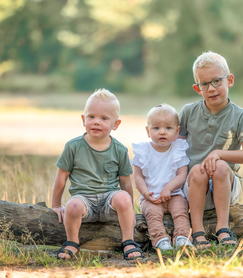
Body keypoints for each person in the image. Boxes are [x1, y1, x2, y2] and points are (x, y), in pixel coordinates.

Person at [51, 88, 144, 260]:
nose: (96, 122)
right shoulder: (73, 147)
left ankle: (128, 241)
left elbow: (125, 183)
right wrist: (56, 205)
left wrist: (130, 211)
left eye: (104, 118)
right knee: (72, 206)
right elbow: (61, 177)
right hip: (84, 201)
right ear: (83, 119)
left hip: (109, 201)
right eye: (91, 117)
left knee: (123, 197)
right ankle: (72, 242)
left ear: (116, 124)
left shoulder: (120, 150)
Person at [179, 51, 243, 248]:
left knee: (221, 167)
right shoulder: (188, 112)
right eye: (204, 84)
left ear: (229, 80)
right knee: (197, 170)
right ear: (197, 88)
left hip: (227, 185)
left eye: (216, 81)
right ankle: (197, 232)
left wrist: (219, 153)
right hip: (195, 185)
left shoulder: (241, 116)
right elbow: (176, 150)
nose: (211, 89)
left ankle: (222, 228)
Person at [132, 104, 193, 252]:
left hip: (174, 195)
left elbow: (182, 175)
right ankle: (160, 239)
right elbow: (138, 177)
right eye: (156, 128)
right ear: (148, 131)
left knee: (181, 212)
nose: (162, 132)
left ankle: (183, 237)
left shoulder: (178, 150)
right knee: (153, 217)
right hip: (151, 198)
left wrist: (168, 188)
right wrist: (146, 193)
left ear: (177, 131)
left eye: (168, 128)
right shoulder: (143, 151)